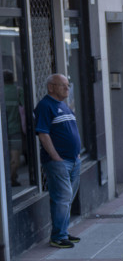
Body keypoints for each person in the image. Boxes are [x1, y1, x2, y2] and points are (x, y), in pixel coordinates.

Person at [34, 74, 82, 249]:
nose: (67, 88)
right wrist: (56, 157)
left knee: (67, 198)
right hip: (59, 162)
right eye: (62, 85)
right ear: (51, 87)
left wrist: (76, 155)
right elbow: (43, 134)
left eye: (68, 85)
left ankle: (63, 230)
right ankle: (58, 236)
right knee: (62, 197)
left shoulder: (64, 106)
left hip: (74, 160)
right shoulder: (45, 106)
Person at [4, 70, 25, 187]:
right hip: (15, 130)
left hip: (3, 132)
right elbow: (24, 106)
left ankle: (7, 180)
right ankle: (10, 179)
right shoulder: (18, 91)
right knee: (15, 158)